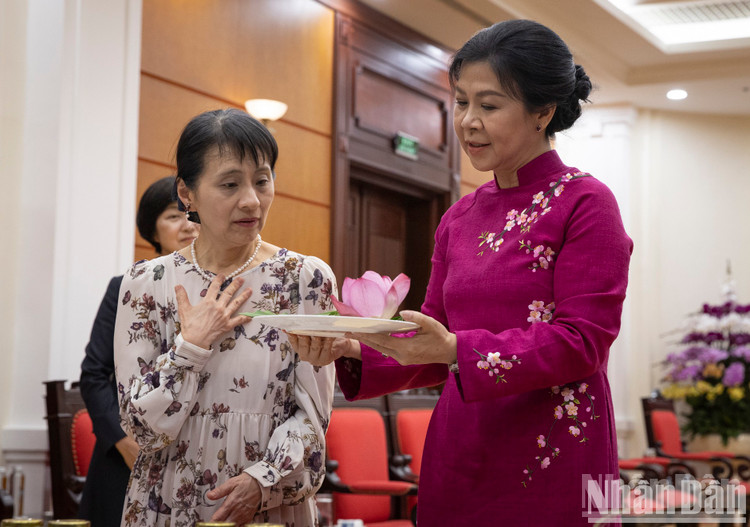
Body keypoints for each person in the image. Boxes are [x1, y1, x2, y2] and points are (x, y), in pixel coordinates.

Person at [293, 19, 633, 526]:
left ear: (543, 111)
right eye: (460, 101)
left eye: (489, 105)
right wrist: (355, 348)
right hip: (462, 445)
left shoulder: (587, 203)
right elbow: (430, 340)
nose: (467, 121)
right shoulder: (459, 217)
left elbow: (582, 342)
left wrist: (455, 349)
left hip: (556, 452)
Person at [114, 108, 337, 526]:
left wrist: (263, 480)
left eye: (262, 180)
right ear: (187, 193)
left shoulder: (304, 279)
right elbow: (143, 429)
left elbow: (313, 414)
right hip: (166, 501)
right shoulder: (147, 282)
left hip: (269, 507)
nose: (251, 200)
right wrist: (190, 347)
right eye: (230, 184)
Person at [79, 176, 199, 526]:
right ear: (152, 230)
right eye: (173, 216)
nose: (187, 224)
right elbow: (94, 375)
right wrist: (123, 442)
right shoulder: (125, 288)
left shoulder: (221, 287)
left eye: (192, 214)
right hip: (126, 455)